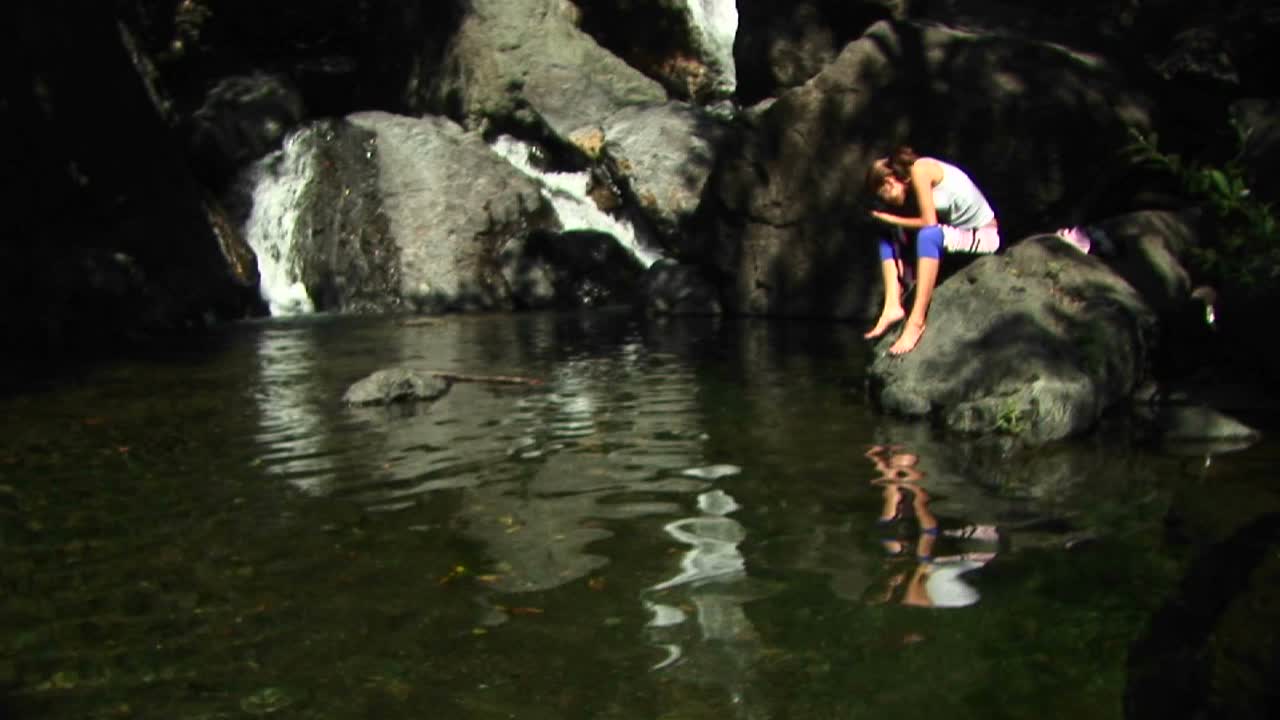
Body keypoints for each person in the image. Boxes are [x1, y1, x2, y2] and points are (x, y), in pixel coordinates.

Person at [863, 146, 1001, 355]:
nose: (885, 201)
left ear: (889, 182)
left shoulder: (920, 169)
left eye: (882, 194)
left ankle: (916, 322)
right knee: (886, 233)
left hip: (984, 236)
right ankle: (892, 304)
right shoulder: (914, 182)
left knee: (929, 235)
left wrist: (888, 218)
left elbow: (929, 222)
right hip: (959, 235)